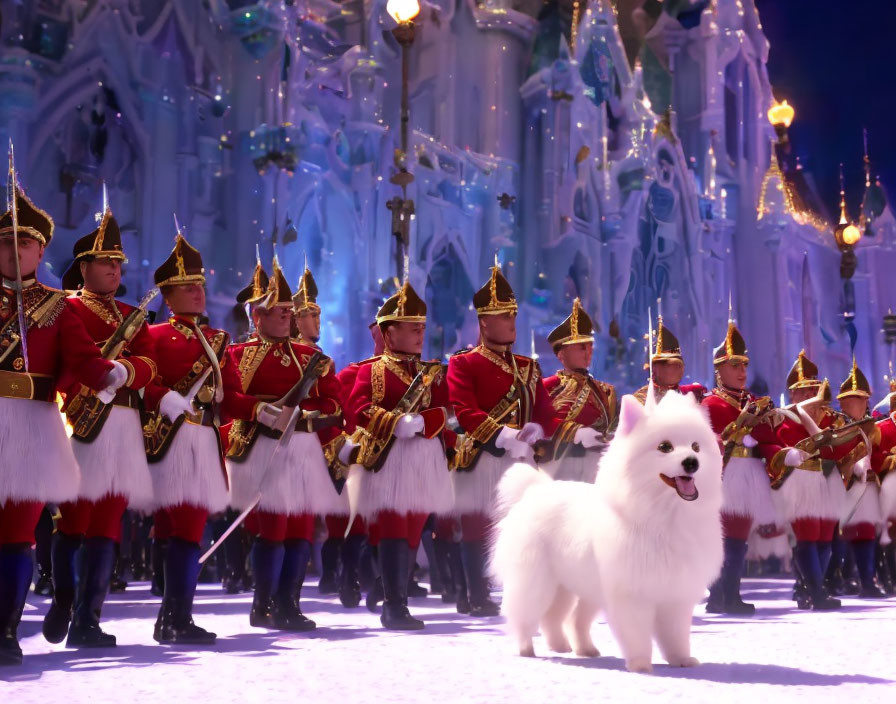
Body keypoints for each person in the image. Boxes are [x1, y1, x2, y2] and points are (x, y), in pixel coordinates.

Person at [0, 185, 127, 665]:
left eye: (25, 242)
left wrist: (111, 374)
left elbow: (82, 359)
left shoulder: (60, 306)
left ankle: (6, 631)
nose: (15, 249)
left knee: (16, 534)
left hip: (32, 425)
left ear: (41, 250)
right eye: (6, 241)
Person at [44, 204, 170, 648]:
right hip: (78, 416)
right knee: (73, 521)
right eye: (106, 262)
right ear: (84, 267)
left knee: (107, 524)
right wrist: (98, 370)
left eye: (118, 263)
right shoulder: (63, 308)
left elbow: (152, 362)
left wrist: (126, 371)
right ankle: (62, 600)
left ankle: (87, 619)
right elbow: (58, 359)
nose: (115, 269)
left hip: (123, 422)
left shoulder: (131, 313)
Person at [222, 259, 344, 631]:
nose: (288, 319)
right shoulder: (239, 356)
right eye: (279, 312)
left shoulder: (312, 359)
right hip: (262, 447)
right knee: (272, 527)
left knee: (301, 529)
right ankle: (264, 604)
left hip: (302, 448)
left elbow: (334, 404)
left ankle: (290, 603)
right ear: (257, 317)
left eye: (290, 312)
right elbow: (227, 400)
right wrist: (259, 410)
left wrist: (303, 416)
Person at [447, 261, 558, 616]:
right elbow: (465, 412)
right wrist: (506, 434)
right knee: (479, 525)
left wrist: (538, 430)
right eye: (504, 316)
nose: (512, 322)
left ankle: (513, 591)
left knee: (519, 527)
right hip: (483, 455)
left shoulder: (528, 366)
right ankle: (475, 593)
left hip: (521, 460)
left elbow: (545, 410)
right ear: (484, 322)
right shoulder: (464, 363)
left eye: (513, 315)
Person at [343, 279, 454, 629]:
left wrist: (437, 437)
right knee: (392, 527)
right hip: (389, 458)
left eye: (422, 327)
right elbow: (357, 407)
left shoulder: (431, 373)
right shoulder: (371, 370)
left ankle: (396, 595)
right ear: (390, 334)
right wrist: (393, 422)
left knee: (411, 530)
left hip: (424, 458)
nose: (420, 335)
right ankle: (393, 605)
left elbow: (447, 413)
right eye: (412, 328)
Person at [143, 231, 231, 644]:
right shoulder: (154, 335)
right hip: (170, 438)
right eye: (188, 288)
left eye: (200, 286)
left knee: (189, 530)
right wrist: (164, 398)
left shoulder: (214, 341)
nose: (198, 294)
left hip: (204, 438)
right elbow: (142, 380)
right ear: (168, 295)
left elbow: (231, 394)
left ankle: (174, 616)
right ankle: (173, 617)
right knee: (178, 529)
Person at [702, 321, 779, 615]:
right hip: (722, 474)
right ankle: (718, 595)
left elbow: (771, 440)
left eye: (744, 365)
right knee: (719, 538)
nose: (742, 371)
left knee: (738, 539)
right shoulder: (709, 403)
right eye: (735, 365)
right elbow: (702, 442)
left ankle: (729, 594)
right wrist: (730, 436)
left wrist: (778, 454)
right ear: (719, 370)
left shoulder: (756, 403)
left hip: (749, 474)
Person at [541, 298, 616, 483]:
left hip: (599, 469)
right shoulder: (546, 387)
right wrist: (575, 432)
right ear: (561, 354)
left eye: (590, 345)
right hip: (558, 468)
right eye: (581, 347)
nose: (588, 351)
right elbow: (539, 423)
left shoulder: (605, 391)